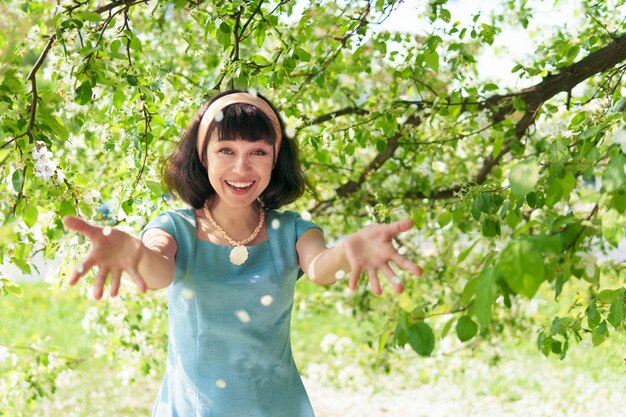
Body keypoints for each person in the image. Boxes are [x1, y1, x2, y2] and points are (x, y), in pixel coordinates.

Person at [63, 89, 423, 417]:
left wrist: (346, 250)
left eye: (258, 152)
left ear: (274, 159)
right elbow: (159, 271)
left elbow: (319, 267)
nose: (241, 168)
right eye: (226, 151)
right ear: (203, 157)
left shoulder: (293, 230)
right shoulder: (175, 227)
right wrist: (134, 251)